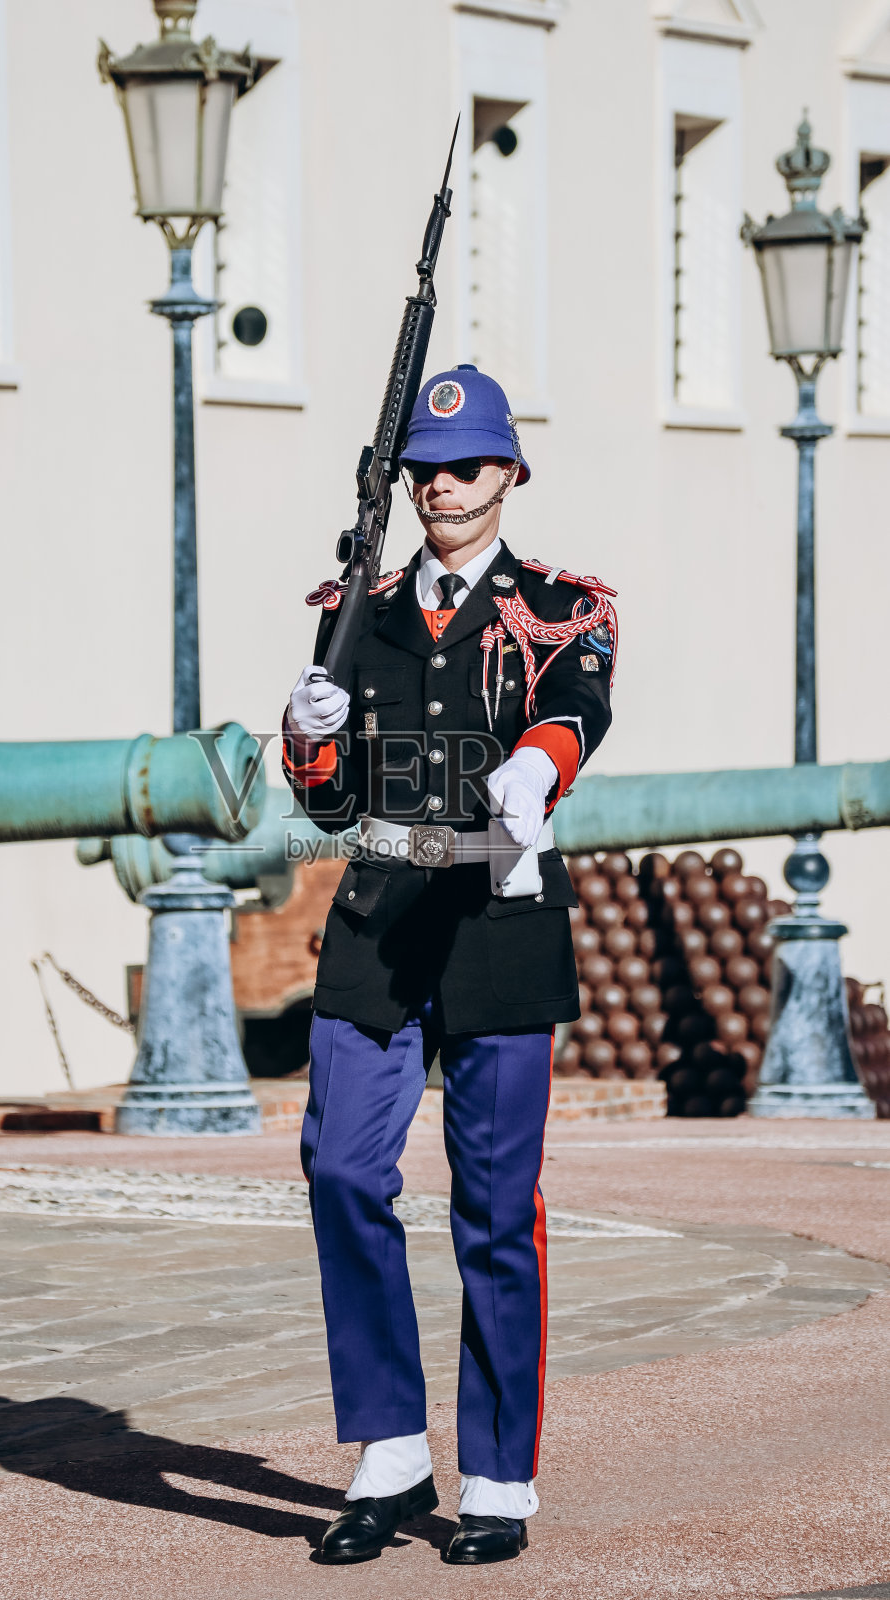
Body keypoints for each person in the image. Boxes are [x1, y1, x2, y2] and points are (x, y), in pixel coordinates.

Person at [282, 365, 615, 1566]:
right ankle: (388, 1447)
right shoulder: (354, 607)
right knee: (337, 1166)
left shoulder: (558, 606)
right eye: (425, 470)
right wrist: (307, 743)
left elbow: (576, 703)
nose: (442, 487)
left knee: (491, 1207)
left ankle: (494, 1473)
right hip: (378, 904)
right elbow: (327, 793)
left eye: (466, 467)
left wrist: (535, 768)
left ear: (508, 474)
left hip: (496, 911)